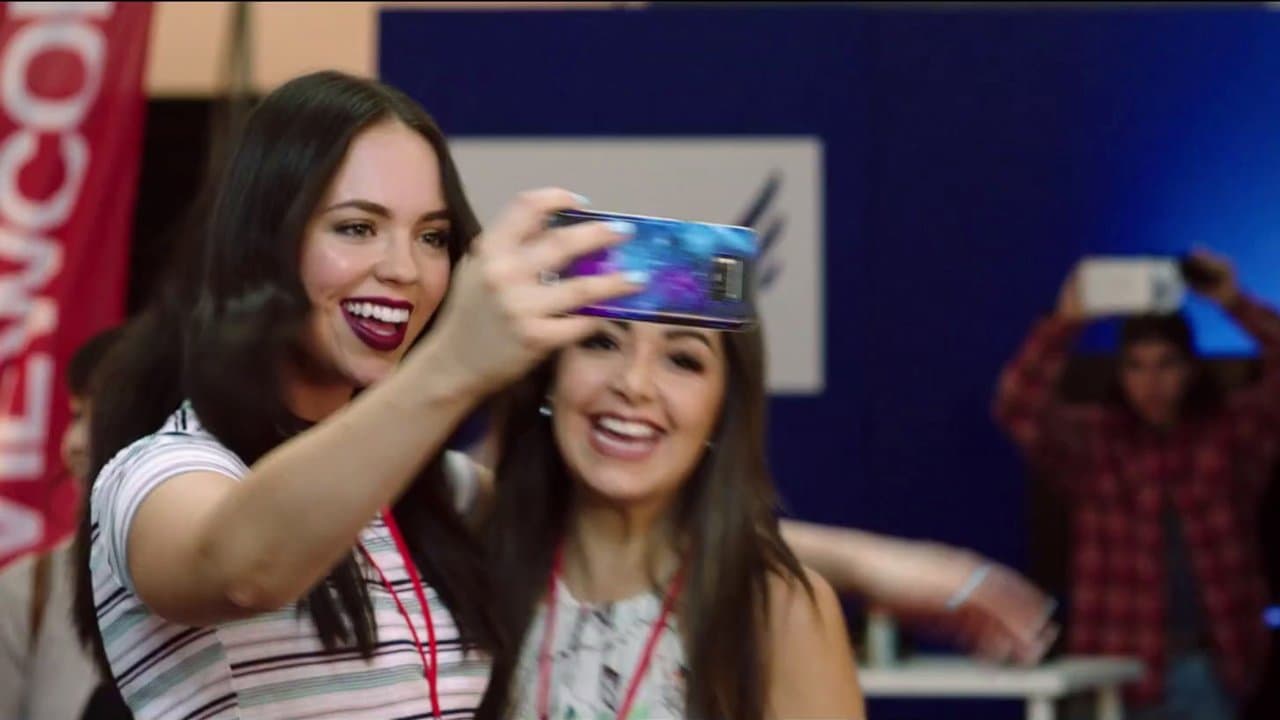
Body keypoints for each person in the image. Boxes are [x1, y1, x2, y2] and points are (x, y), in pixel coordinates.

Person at [75, 70, 1053, 719]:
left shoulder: (425, 501)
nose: (403, 270)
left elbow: (627, 528)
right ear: (263, 238)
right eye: (356, 226)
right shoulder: (162, 475)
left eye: (431, 236)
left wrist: (877, 567)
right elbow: (243, 563)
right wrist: (457, 365)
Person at [477, 318, 862, 719]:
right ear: (550, 372)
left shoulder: (779, 614)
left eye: (682, 360)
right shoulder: (466, 570)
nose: (634, 384)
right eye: (601, 342)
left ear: (723, 407)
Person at [993, 250, 1278, 719]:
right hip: (1114, 664)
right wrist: (1067, 322)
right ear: (1120, 372)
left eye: (1166, 365)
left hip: (1209, 665)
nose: (1152, 382)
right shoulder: (1096, 440)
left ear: (1190, 369)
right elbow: (1017, 406)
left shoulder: (1229, 435)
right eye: (1136, 366)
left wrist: (1234, 301)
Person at [0, 327, 132, 720]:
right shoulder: (29, 589)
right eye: (76, 415)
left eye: (100, 417)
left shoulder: (238, 587)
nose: (75, 443)